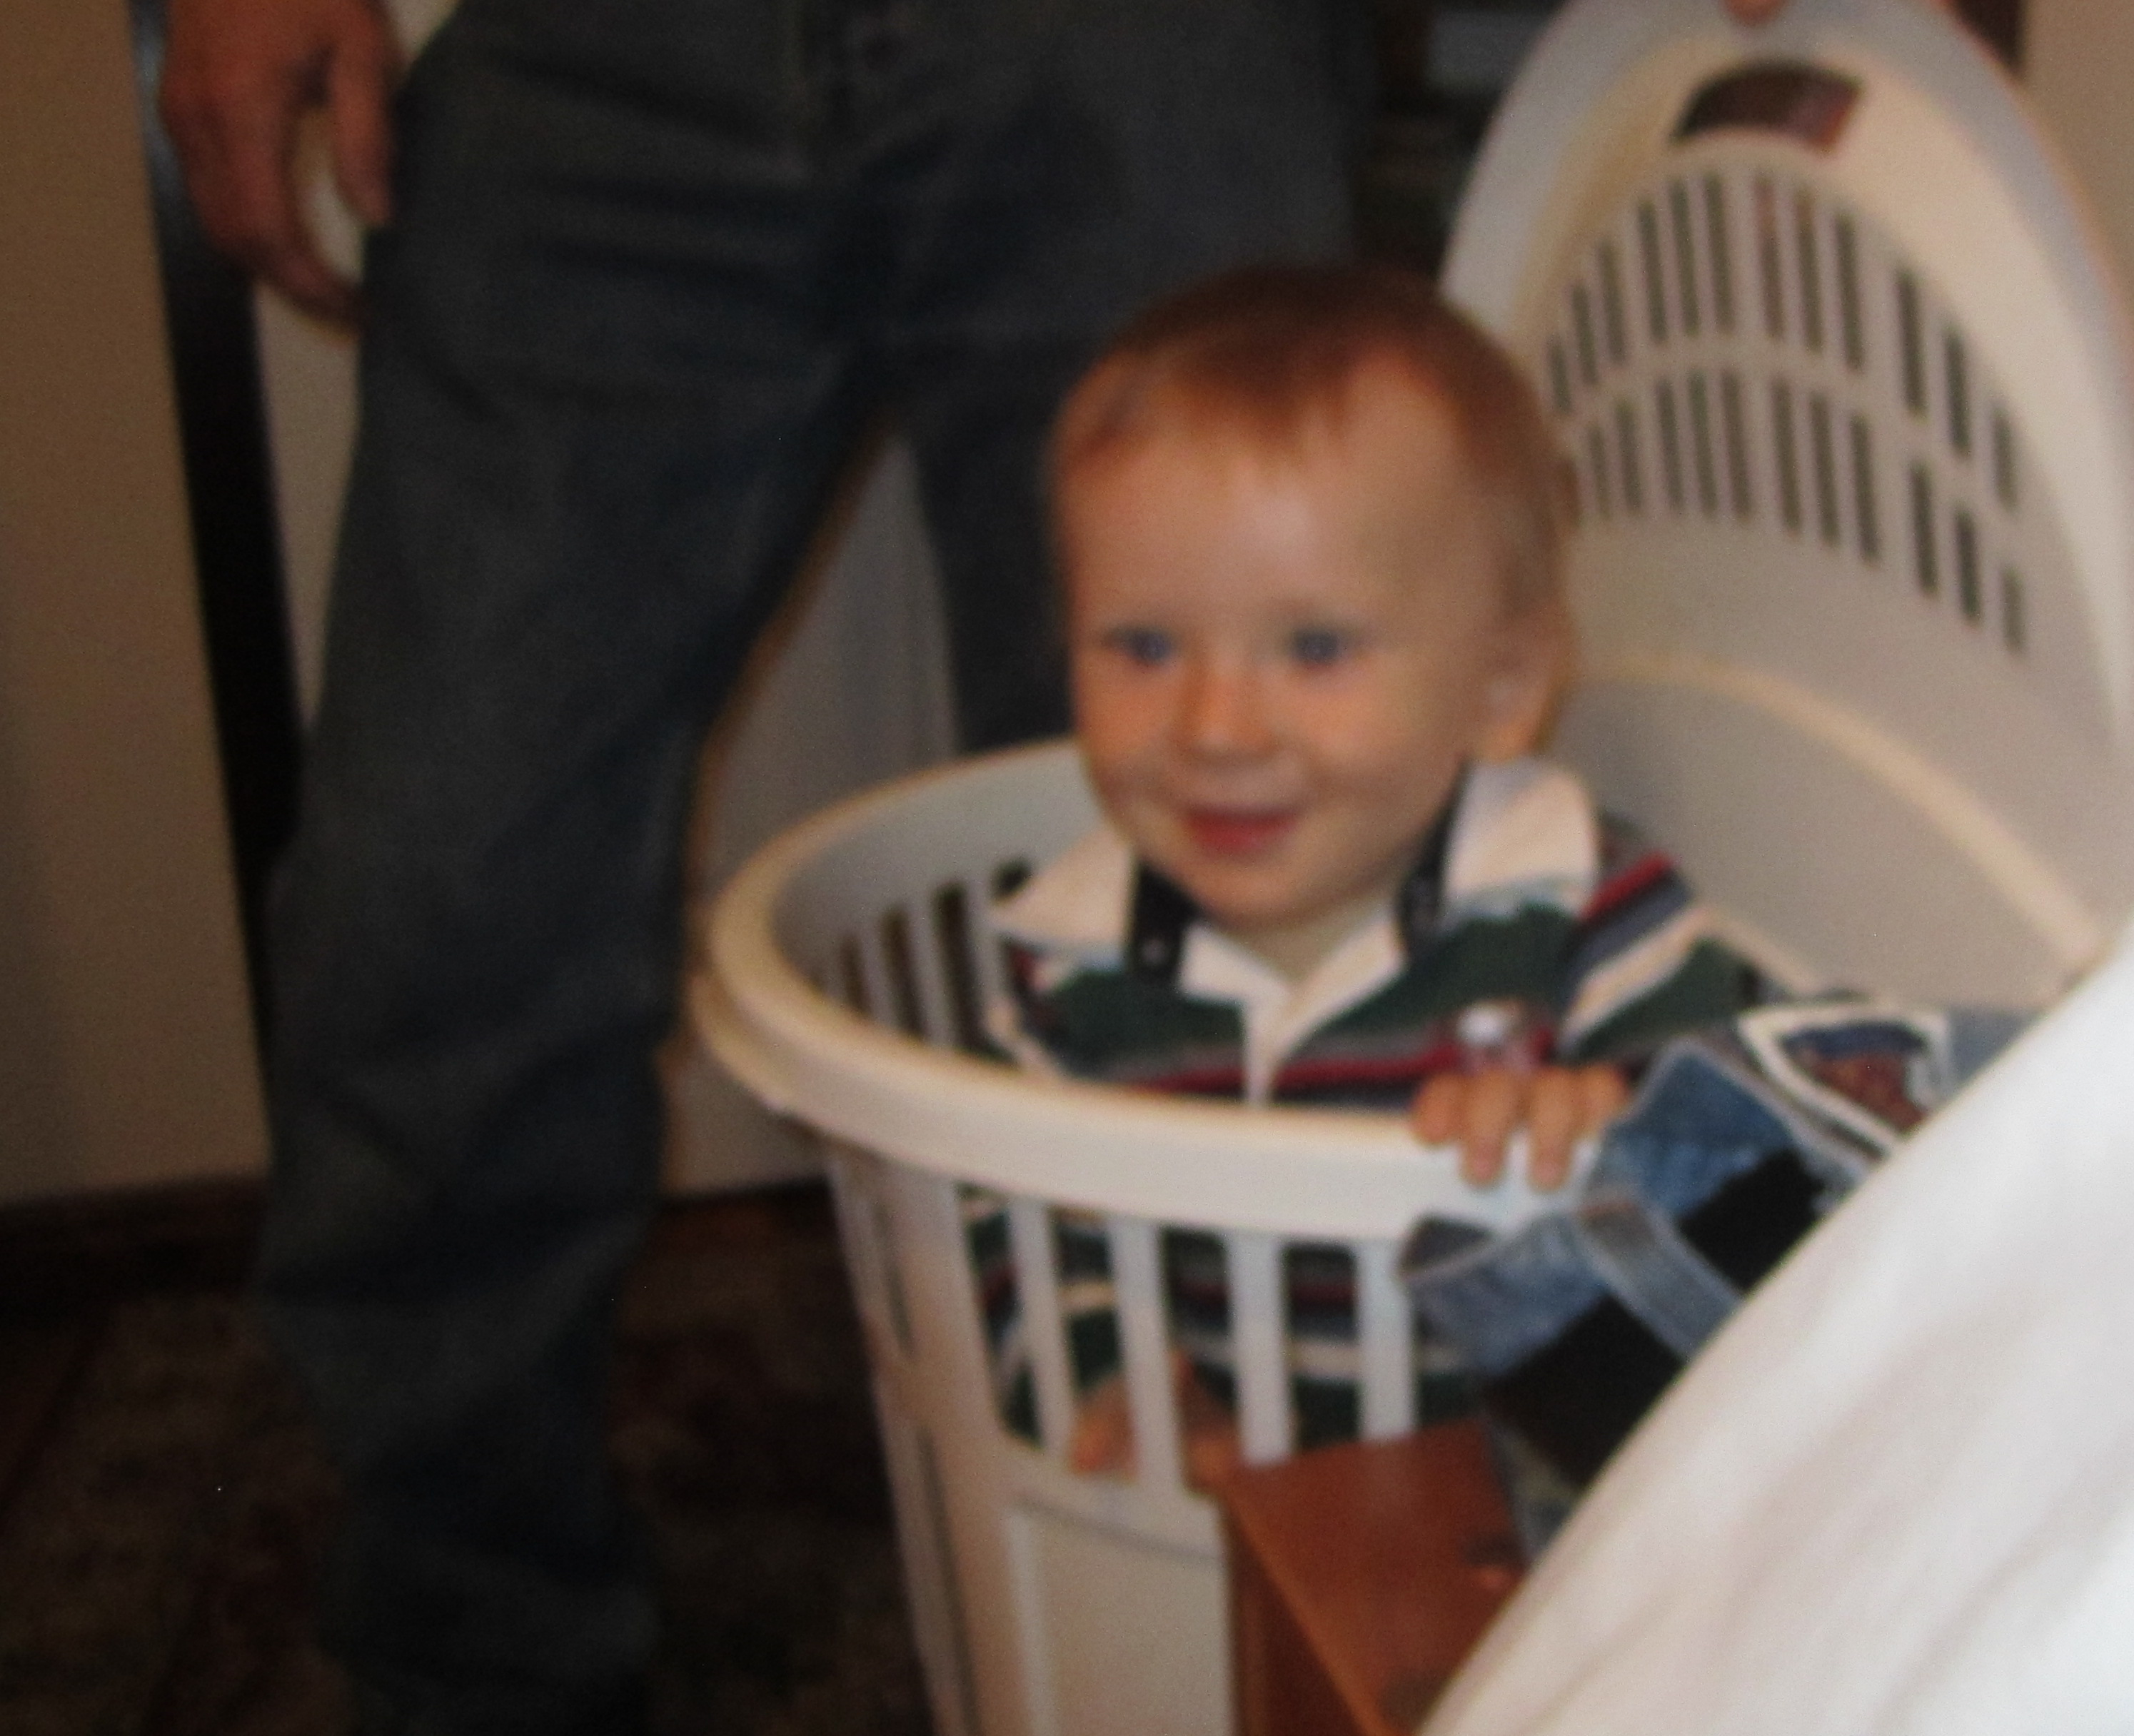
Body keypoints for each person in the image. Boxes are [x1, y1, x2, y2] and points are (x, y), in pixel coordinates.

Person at [156, 0, 1370, 1728]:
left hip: (1137, 39)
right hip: (610, 54)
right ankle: (475, 1663)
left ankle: (1198, 1635)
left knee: (1216, 902)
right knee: (431, 914)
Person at [980, 265, 1771, 1472]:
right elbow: (1010, 1227)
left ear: (1500, 689)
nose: (1215, 730)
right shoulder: (1066, 963)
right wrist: (1107, 1384)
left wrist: (1605, 1120)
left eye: (1313, 647)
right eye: (1142, 645)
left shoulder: (1583, 909)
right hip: (1214, 1526)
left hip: (1527, 1515)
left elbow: (1754, 1152)